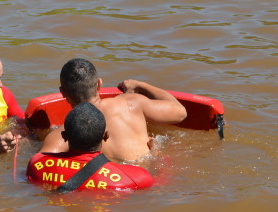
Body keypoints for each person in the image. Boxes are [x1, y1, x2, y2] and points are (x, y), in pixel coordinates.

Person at [39, 58, 187, 163]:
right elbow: (180, 113)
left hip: (110, 183)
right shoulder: (132, 103)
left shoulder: (64, 133)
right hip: (146, 174)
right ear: (99, 84)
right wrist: (140, 85)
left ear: (62, 92)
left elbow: (41, 165)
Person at [27, 102, 154, 191]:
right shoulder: (137, 178)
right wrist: (156, 153)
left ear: (64, 137)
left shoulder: (36, 164)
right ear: (106, 136)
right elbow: (158, 187)